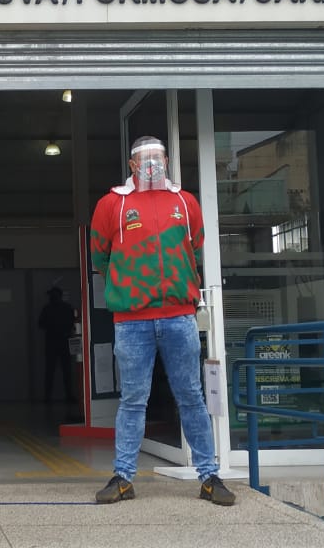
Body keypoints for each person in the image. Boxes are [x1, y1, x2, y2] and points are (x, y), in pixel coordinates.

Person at [88, 136, 235, 506]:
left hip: (179, 317)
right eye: (144, 159)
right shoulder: (112, 205)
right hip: (132, 320)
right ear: (131, 164)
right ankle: (122, 477)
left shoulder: (185, 203)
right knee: (133, 399)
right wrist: (130, 286)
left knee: (191, 396)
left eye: (157, 158)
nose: (151, 164)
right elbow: (99, 258)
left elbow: (195, 247)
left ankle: (209, 476)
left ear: (167, 161)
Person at [37, 287, 76, 403]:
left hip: (54, 343)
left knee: (53, 371)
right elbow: (72, 324)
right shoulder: (64, 308)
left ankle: (49, 397)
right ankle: (66, 396)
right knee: (64, 371)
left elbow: (41, 324)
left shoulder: (49, 308)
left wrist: (52, 327)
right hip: (60, 342)